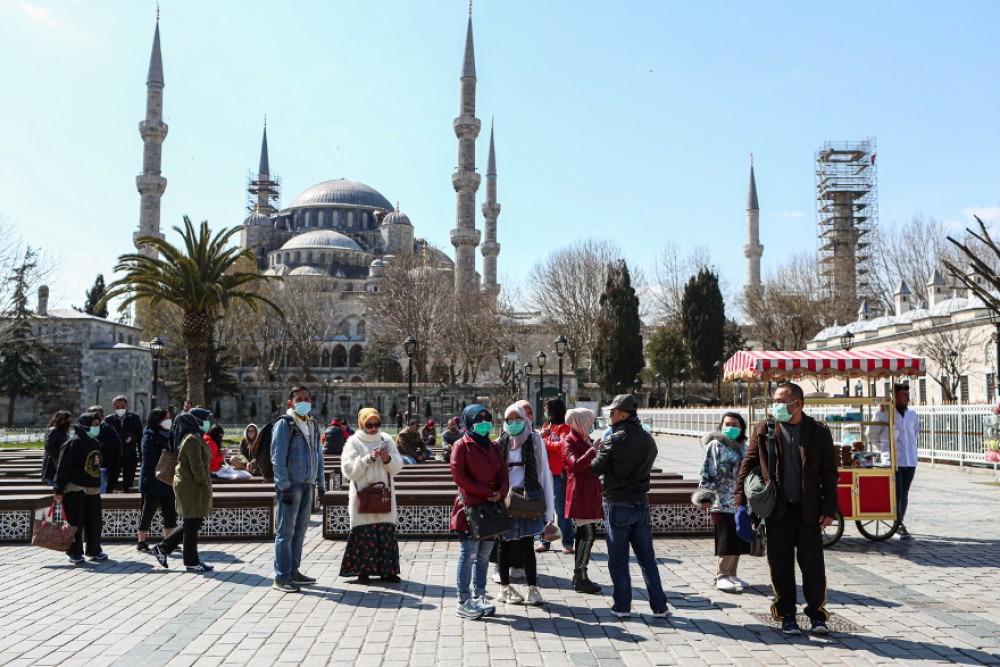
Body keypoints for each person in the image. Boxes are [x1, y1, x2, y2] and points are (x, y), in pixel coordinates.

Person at [734, 382, 838, 635]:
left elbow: (829, 472)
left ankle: (817, 615)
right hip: (777, 511)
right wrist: (739, 503)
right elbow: (747, 466)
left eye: (780, 401)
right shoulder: (764, 430)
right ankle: (787, 615)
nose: (775, 406)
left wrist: (829, 508)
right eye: (774, 401)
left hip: (809, 512)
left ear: (797, 404)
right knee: (780, 566)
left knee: (813, 567)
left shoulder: (818, 431)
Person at [591, 394, 669, 619]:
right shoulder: (648, 439)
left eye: (613, 412)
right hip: (641, 502)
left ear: (624, 415)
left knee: (618, 559)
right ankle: (659, 606)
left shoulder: (614, 439)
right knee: (647, 558)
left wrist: (597, 451)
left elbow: (595, 468)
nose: (610, 416)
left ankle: (622, 606)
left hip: (618, 503)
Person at [496, 403, 555, 606]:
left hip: (528, 499)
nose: (514, 423)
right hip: (506, 501)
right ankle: (505, 587)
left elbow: (544, 474)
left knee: (527, 545)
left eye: (518, 419)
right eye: (510, 420)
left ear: (525, 420)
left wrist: (549, 513)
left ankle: (532, 588)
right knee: (504, 544)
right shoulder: (500, 442)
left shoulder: (534, 440)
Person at [450, 404, 505, 620]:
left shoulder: (493, 446)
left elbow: (503, 473)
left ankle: (479, 595)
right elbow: (460, 477)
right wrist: (486, 493)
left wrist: (501, 492)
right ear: (469, 421)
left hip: (491, 507)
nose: (483, 423)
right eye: (478, 419)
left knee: (483, 555)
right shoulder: (461, 445)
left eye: (486, 418)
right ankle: (463, 601)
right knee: (469, 554)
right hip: (470, 507)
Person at [271, 386, 325, 593]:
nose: (304, 402)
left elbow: (318, 455)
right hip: (291, 484)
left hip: (307, 483)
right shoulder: (285, 424)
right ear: (290, 403)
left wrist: (321, 484)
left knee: (300, 531)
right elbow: (277, 458)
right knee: (285, 532)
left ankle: (294, 571)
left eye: (307, 398)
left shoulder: (312, 424)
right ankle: (281, 576)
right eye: (299, 399)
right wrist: (283, 486)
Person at [340, 408, 403, 583]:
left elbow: (398, 466)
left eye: (377, 424)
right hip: (363, 496)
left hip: (383, 496)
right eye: (369, 425)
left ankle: (388, 571)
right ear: (362, 425)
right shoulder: (353, 442)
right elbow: (348, 470)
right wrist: (367, 459)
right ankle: (363, 571)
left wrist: (387, 459)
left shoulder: (386, 440)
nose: (374, 428)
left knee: (385, 532)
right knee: (363, 533)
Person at [150, 408, 215, 572]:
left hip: (191, 485)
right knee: (192, 522)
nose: (208, 423)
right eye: (205, 419)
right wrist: (204, 482)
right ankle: (190, 561)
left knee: (192, 522)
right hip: (191, 486)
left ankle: (164, 549)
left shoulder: (193, 437)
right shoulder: (192, 438)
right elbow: (196, 465)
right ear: (196, 421)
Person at [693, 412, 750, 593]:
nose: (731, 427)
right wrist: (705, 496)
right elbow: (707, 471)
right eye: (727, 424)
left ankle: (732, 573)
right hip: (721, 501)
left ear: (741, 428)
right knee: (726, 538)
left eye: (735, 424)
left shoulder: (744, 447)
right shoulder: (716, 445)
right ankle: (722, 575)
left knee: (738, 537)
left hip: (741, 501)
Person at [868, 382, 920, 540]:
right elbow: (872, 435)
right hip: (892, 461)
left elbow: (915, 433)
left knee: (904, 493)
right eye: (904, 395)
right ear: (895, 396)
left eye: (907, 395)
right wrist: (884, 449)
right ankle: (897, 524)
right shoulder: (884, 414)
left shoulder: (912, 415)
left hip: (910, 461)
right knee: (897, 493)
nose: (907, 398)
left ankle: (899, 522)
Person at [53, 412, 106, 564]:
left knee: (94, 522)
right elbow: (63, 467)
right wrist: (58, 489)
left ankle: (94, 549)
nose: (96, 427)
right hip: (75, 489)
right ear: (85, 424)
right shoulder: (73, 443)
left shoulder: (95, 442)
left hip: (92, 489)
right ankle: (74, 552)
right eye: (94, 424)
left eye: (98, 425)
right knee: (75, 522)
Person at [563, 407, 603, 594]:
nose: (591, 424)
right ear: (581, 422)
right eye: (589, 421)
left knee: (587, 534)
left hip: (590, 491)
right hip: (580, 492)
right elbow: (575, 465)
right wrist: (593, 451)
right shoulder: (569, 441)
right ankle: (580, 576)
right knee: (587, 534)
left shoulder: (585, 440)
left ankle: (580, 575)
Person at [137, 408, 178, 552]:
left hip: (168, 479)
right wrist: (165, 462)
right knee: (148, 510)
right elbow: (148, 457)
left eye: (169, 417)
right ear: (158, 420)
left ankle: (168, 541)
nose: (169, 420)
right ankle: (142, 541)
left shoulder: (172, 435)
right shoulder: (149, 435)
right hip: (153, 479)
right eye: (165, 418)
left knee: (170, 511)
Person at [538, 398, 575, 554]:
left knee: (561, 510)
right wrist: (542, 438)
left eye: (547, 408)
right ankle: (544, 542)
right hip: (544, 473)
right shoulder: (546, 427)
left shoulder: (564, 427)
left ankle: (567, 542)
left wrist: (544, 442)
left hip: (558, 474)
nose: (545, 411)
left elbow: (561, 446)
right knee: (544, 509)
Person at [104, 395, 144, 493]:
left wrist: (141, 456)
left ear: (126, 406)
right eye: (117, 407)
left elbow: (140, 437)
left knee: (128, 483)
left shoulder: (134, 418)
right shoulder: (109, 420)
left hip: (130, 455)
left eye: (122, 406)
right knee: (110, 482)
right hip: (114, 457)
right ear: (113, 406)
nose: (120, 409)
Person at [89, 405, 121, 494]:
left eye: (97, 415)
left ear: (102, 416)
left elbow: (116, 446)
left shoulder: (108, 429)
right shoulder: (84, 428)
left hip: (104, 464)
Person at [43, 410, 73, 485]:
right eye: (66, 420)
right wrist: (59, 457)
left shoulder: (64, 432)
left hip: (61, 462)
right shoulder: (54, 430)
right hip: (53, 463)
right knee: (54, 484)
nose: (68, 422)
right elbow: (49, 446)